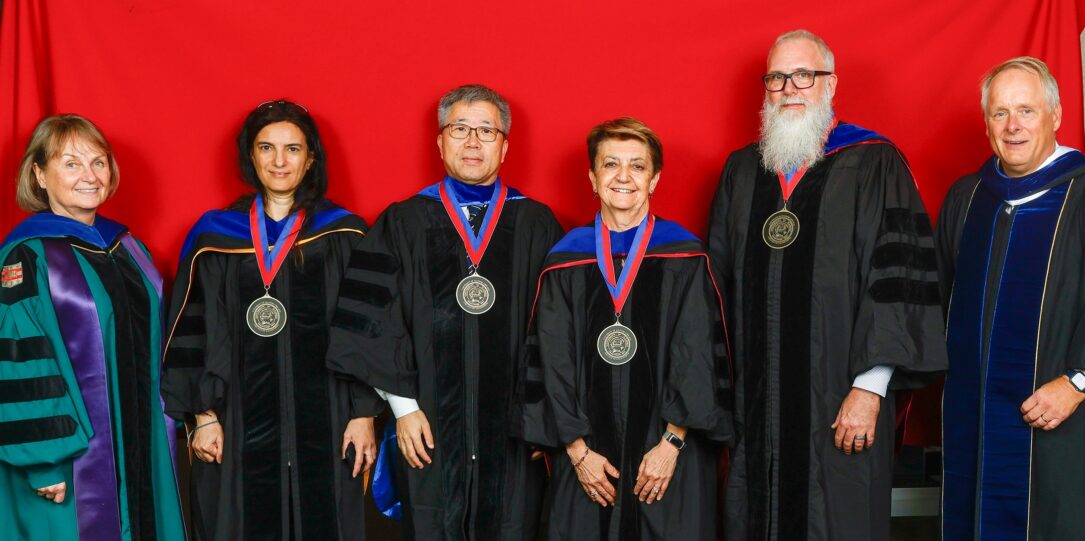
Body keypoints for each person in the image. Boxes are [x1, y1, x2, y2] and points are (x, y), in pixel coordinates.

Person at [706, 30, 947, 540]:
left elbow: (897, 279)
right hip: (757, 403)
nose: (789, 87)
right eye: (776, 77)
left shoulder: (873, 162)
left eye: (803, 75)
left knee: (838, 518)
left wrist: (870, 386)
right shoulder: (743, 171)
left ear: (830, 83)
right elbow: (718, 294)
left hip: (842, 396)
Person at [327, 84, 563, 540]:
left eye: (486, 131)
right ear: (439, 140)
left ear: (505, 145)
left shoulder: (538, 225)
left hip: (514, 435)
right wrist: (403, 408)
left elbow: (558, 332)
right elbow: (372, 319)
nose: (473, 142)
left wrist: (543, 417)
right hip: (427, 426)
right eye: (460, 129)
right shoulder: (402, 222)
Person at [160, 100, 382, 540]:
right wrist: (203, 416)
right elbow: (190, 331)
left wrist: (364, 414)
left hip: (332, 417)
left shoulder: (346, 235)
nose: (279, 161)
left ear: (311, 157)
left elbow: (369, 330)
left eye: (293, 149)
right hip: (237, 420)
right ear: (251, 156)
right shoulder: (214, 238)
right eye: (267, 148)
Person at [519, 117, 732, 540]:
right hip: (585, 459)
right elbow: (550, 359)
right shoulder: (564, 261)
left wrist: (671, 446)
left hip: (670, 458)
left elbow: (698, 355)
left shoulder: (686, 257)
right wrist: (578, 453)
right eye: (610, 164)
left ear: (654, 180)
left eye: (637, 166)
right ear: (593, 178)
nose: (623, 176)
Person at [0, 114, 185, 540]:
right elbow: (18, 363)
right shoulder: (27, 257)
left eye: (98, 162)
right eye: (71, 163)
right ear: (39, 174)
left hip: (143, 446)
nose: (89, 175)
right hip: (66, 463)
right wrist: (45, 460)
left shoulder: (128, 247)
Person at [937, 56, 1085, 541]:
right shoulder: (967, 198)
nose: (1013, 126)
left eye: (1026, 110)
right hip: (973, 422)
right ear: (986, 124)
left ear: (1056, 115)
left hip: (1063, 418)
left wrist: (1079, 381)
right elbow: (939, 302)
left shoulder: (1084, 194)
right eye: (1000, 113)